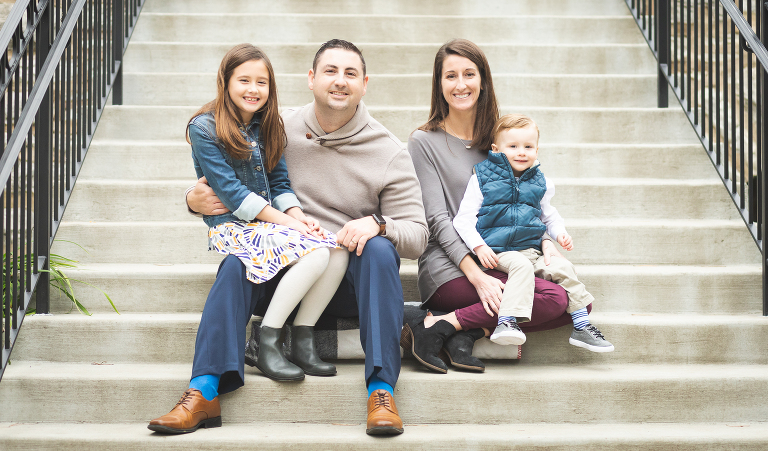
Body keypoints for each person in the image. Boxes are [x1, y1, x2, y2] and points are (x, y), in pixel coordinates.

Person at [151, 39, 428, 436]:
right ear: (311, 79)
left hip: (348, 280)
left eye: (350, 73)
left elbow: (419, 236)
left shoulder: (389, 151)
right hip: (284, 270)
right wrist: (192, 200)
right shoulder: (273, 126)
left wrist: (379, 224)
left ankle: (381, 391)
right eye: (330, 71)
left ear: (365, 83)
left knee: (381, 251)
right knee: (235, 263)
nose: (339, 81)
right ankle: (203, 391)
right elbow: (232, 184)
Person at [148, 44, 349, 434]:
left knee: (331, 248)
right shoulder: (204, 127)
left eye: (262, 82)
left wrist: (298, 218)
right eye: (244, 80)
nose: (254, 89)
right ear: (225, 82)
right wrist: (283, 222)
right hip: (238, 228)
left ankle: (296, 339)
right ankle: (215, 381)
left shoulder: (269, 124)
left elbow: (279, 182)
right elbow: (230, 194)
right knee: (245, 267)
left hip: (269, 225)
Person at [406, 38, 589, 374]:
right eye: (450, 76)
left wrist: (547, 243)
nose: (461, 84)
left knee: (578, 303)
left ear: (483, 80)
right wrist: (475, 275)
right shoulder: (424, 142)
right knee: (554, 300)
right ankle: (460, 322)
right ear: (439, 83)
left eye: (469, 74)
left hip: (505, 257)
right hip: (450, 266)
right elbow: (436, 219)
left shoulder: (502, 141)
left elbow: (528, 204)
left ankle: (454, 327)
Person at [453, 113, 613, 352]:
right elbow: (462, 220)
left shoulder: (541, 182)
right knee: (520, 265)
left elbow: (549, 216)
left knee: (563, 267)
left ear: (537, 150)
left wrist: (559, 234)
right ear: (496, 149)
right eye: (513, 146)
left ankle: (581, 326)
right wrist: (479, 246)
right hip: (497, 250)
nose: (521, 152)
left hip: (532, 250)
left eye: (528, 146)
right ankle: (506, 321)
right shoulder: (481, 179)